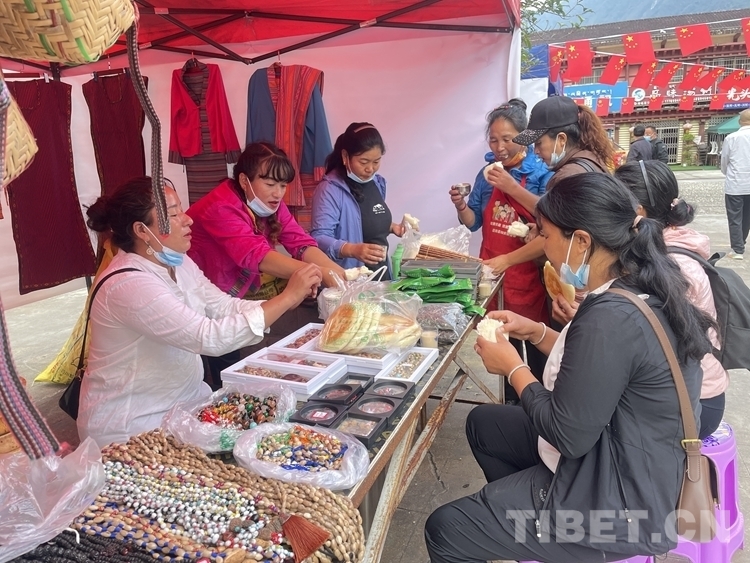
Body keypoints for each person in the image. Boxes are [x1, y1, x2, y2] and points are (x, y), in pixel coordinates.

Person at [424, 173, 712, 563]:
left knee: (446, 528)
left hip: (624, 507)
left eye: (546, 235)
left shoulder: (611, 317)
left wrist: (513, 368)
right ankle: (529, 534)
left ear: (581, 241)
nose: (543, 246)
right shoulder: (638, 286)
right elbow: (600, 367)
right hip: (621, 449)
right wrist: (535, 332)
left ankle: (554, 530)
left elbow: (568, 435)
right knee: (485, 424)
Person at [78, 177, 322, 448]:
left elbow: (223, 306)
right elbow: (207, 337)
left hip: (184, 408)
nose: (188, 219)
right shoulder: (128, 284)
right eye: (173, 214)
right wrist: (287, 297)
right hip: (133, 427)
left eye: (181, 209)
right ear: (142, 230)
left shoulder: (179, 263)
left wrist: (286, 301)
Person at [186, 142, 345, 385]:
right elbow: (256, 255)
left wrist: (337, 273)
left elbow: (300, 243)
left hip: (238, 295)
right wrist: (319, 273)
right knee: (225, 363)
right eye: (270, 184)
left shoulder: (266, 203)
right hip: (208, 295)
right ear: (244, 180)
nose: (278, 193)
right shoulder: (219, 207)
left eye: (283, 185)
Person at [615, 160, 728, 438]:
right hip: (681, 392)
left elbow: (649, 342)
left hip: (695, 402)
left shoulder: (674, 266)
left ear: (638, 211)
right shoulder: (660, 247)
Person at [449, 99, 553, 385]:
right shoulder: (486, 174)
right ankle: (510, 398)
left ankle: (536, 398)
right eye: (493, 140)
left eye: (507, 139)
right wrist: (460, 206)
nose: (499, 147)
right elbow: (473, 222)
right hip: (493, 271)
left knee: (534, 344)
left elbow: (551, 219)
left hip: (528, 274)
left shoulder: (541, 172)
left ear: (524, 137)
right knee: (501, 344)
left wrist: (511, 186)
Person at [484, 95, 613, 324]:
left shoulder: (566, 177)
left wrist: (508, 259)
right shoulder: (590, 162)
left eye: (539, 143)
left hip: (582, 287)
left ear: (561, 139)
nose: (535, 151)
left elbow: (558, 236)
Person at [310, 123, 405, 279]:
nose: (370, 169)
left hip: (382, 278)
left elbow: (364, 221)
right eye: (363, 162)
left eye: (376, 162)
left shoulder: (377, 183)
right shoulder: (329, 190)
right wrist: (352, 250)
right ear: (345, 156)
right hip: (350, 282)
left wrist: (392, 227)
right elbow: (318, 238)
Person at [720, 108, 750, 260]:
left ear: (740, 121)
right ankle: (740, 242)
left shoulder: (732, 138)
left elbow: (724, 160)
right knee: (747, 216)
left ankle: (738, 249)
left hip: (736, 183)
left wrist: (728, 173)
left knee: (735, 217)